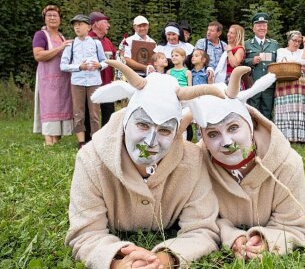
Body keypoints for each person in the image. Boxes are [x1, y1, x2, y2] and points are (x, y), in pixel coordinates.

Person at [66, 60, 223, 268]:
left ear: (176, 131)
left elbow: (202, 229)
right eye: (142, 124)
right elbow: (86, 233)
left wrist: (163, 260)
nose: (150, 142)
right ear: (126, 120)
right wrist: (118, 263)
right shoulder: (90, 159)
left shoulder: (193, 161)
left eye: (165, 130)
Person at [189, 66, 305, 257]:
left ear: (251, 124)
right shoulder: (196, 165)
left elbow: (294, 225)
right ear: (203, 138)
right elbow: (202, 219)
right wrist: (232, 236)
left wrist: (267, 240)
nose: (227, 142)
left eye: (233, 127)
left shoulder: (288, 164)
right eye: (213, 134)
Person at [60, 14, 107, 149]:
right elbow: (63, 66)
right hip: (77, 82)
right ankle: (81, 143)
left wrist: (100, 66)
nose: (77, 27)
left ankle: (95, 141)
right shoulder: (71, 45)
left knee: (94, 112)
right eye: (75, 25)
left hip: (94, 81)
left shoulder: (96, 43)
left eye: (80, 24)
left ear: (89, 27)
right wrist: (79, 67)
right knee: (78, 112)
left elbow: (104, 61)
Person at [32, 5, 73, 146]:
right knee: (49, 107)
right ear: (44, 19)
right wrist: (60, 48)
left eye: (55, 15)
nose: (52, 18)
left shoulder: (61, 36)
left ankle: (56, 139)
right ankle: (48, 140)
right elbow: (38, 55)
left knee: (60, 106)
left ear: (60, 19)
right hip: (48, 78)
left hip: (62, 79)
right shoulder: (41, 35)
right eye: (49, 15)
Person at [275, 30, 305, 143]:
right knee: (286, 109)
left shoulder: (302, 51)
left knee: (300, 109)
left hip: (300, 86)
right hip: (285, 83)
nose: (297, 43)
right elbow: (281, 63)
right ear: (289, 40)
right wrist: (299, 65)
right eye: (294, 40)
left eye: (299, 41)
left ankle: (301, 138)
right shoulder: (281, 50)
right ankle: (285, 137)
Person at [244, 13, 279, 120]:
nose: (262, 28)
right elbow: (240, 62)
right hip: (253, 83)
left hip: (269, 85)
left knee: (267, 113)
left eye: (264, 25)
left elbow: (279, 62)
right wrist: (251, 61)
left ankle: (267, 136)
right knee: (253, 112)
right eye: (259, 25)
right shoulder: (246, 44)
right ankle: (253, 136)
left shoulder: (274, 44)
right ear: (253, 28)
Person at [89, 11, 117, 127]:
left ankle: (107, 136)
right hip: (91, 84)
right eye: (105, 22)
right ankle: (88, 139)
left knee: (109, 112)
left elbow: (115, 58)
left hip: (107, 83)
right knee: (91, 112)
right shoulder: (86, 39)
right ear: (96, 24)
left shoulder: (107, 41)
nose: (108, 25)